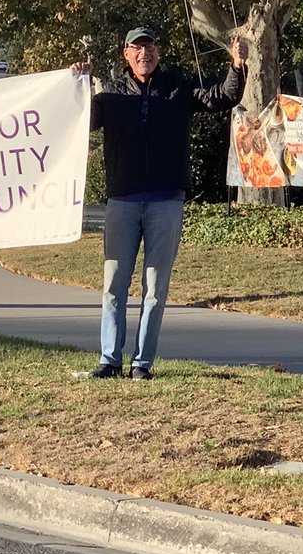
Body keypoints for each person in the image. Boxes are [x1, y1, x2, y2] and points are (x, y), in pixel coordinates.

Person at [72, 27, 248, 380]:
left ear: (158, 52)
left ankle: (142, 363)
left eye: (149, 47)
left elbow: (222, 98)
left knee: (155, 288)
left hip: (166, 202)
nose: (143, 53)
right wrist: (77, 85)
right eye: (136, 48)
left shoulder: (177, 89)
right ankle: (109, 360)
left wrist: (237, 65)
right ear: (126, 55)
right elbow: (79, 123)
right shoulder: (111, 97)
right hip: (122, 201)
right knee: (113, 287)